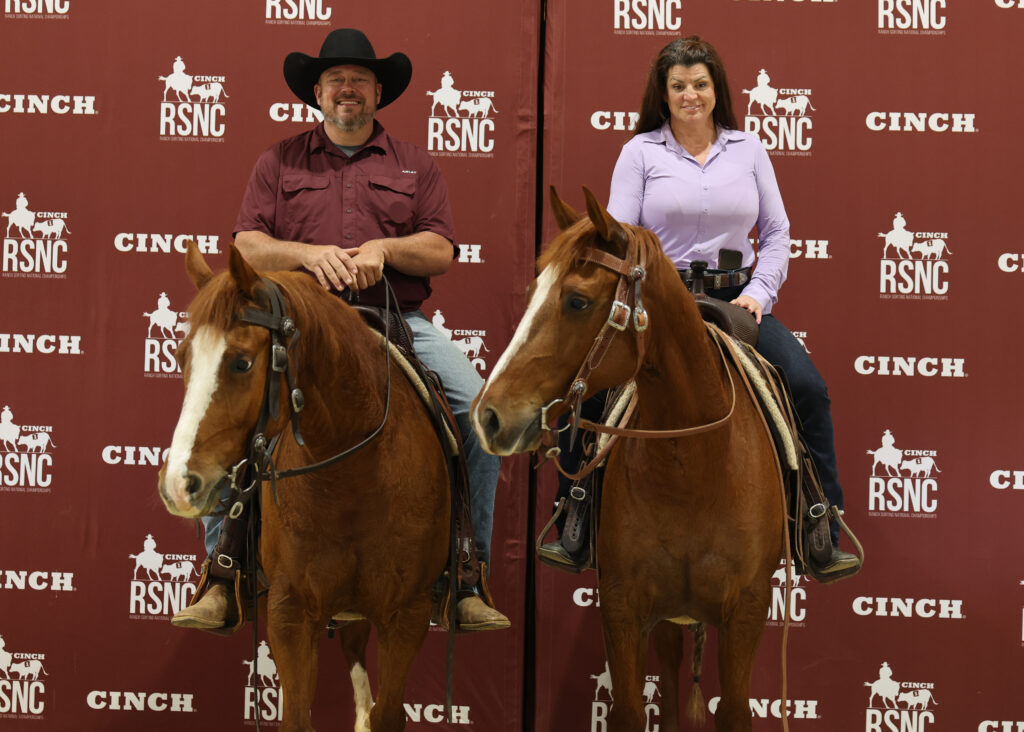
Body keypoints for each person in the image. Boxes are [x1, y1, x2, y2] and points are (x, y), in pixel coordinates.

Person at [170, 28, 509, 633]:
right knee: (230, 411)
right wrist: (305, 253)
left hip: (394, 321)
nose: (346, 89)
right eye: (335, 81)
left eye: (358, 80)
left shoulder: (415, 164)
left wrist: (384, 246)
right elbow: (245, 243)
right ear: (317, 94)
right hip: (299, 326)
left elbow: (440, 250)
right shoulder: (277, 162)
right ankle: (223, 573)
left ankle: (465, 572)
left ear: (379, 92)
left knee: (479, 416)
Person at [541, 36, 858, 579]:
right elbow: (618, 235)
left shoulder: (749, 149)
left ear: (717, 91)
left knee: (807, 386)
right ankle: (577, 503)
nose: (691, 94)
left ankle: (818, 515)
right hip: (662, 303)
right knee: (594, 382)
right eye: (679, 86)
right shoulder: (640, 153)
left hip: (738, 302)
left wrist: (758, 294)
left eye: (700, 84)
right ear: (663, 96)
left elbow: (777, 232)